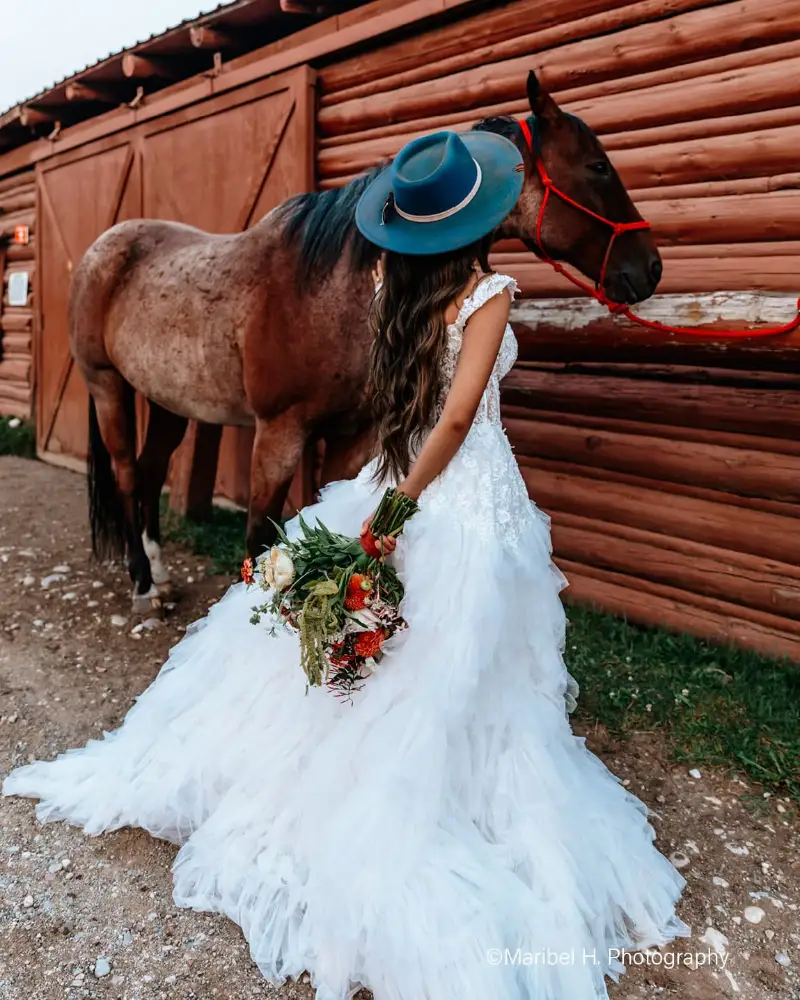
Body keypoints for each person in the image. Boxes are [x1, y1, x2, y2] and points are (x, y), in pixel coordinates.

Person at [3, 130, 688, 1000]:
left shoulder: (394, 286)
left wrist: (393, 493)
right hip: (463, 489)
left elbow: (402, 403)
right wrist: (399, 505)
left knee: (401, 631)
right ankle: (444, 786)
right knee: (463, 643)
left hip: (416, 478)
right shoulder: (489, 297)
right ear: (483, 216)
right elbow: (454, 418)